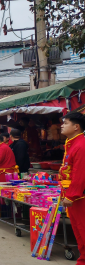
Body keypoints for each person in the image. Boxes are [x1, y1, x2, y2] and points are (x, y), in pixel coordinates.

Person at [57, 112, 85, 265]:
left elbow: (80, 173)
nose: (62, 125)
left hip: (80, 197)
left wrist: (72, 195)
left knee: (82, 230)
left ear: (76, 127)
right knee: (78, 231)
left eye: (65, 123)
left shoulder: (80, 145)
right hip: (75, 196)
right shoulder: (72, 143)